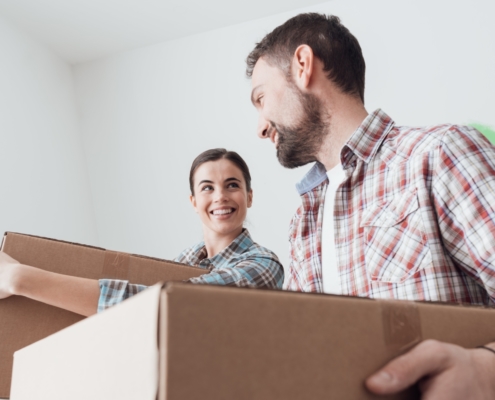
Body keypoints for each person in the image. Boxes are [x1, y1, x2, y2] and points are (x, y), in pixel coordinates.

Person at [246, 13, 495, 399]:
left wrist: (484, 371)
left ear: (302, 65)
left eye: (261, 97)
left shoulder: (438, 155)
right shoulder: (302, 224)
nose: (260, 126)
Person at [0, 148, 284, 316]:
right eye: (207, 187)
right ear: (194, 202)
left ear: (249, 196)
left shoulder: (264, 265)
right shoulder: (183, 261)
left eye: (232, 185)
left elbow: (166, 305)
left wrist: (21, 278)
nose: (220, 196)